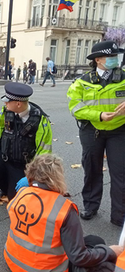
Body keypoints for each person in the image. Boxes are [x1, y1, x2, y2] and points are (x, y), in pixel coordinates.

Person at [5, 154, 122, 272]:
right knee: (100, 259)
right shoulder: (63, 209)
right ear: (57, 177)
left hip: (14, 262)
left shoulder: (21, 194)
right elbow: (79, 257)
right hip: (44, 269)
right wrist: (111, 251)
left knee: (94, 241)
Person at [67, 40, 125, 226]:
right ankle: (90, 206)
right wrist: (98, 115)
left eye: (116, 56)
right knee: (92, 169)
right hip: (92, 130)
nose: (114, 60)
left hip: (119, 130)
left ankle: (119, 215)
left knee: (120, 172)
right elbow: (75, 107)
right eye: (110, 57)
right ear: (98, 59)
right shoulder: (82, 82)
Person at [0, 82, 52, 200]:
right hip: (5, 158)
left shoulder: (40, 121)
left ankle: (15, 187)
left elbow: (44, 153)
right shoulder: (5, 112)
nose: (5, 103)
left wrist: (31, 176)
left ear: (18, 103)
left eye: (7, 101)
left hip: (24, 166)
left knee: (16, 198)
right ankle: (6, 187)